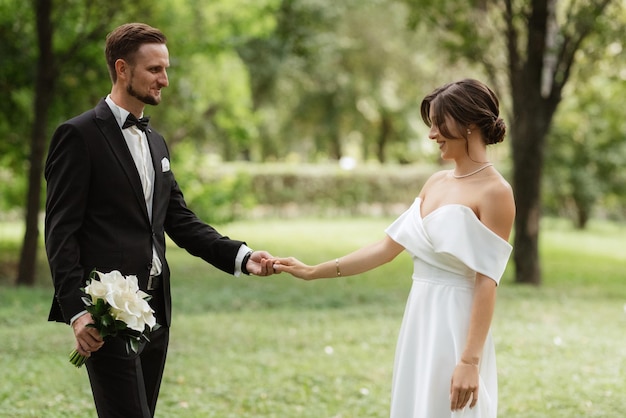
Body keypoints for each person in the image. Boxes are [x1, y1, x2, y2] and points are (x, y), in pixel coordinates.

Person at [44, 22, 276, 417]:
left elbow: (179, 219)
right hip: (108, 314)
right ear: (122, 69)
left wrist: (242, 257)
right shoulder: (78, 135)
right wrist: (79, 311)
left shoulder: (155, 141)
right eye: (154, 69)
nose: (164, 80)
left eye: (166, 69)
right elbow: (60, 231)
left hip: (156, 313)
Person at [274, 79, 515, 417]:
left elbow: (486, 281)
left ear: (470, 124)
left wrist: (469, 361)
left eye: (439, 124)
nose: (432, 134)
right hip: (420, 317)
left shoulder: (496, 192)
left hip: (456, 325)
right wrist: (314, 271)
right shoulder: (435, 182)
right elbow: (386, 248)